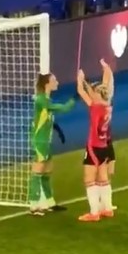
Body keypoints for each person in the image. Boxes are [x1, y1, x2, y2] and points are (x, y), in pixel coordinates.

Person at [30, 73, 76, 216]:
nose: (57, 81)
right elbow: (63, 109)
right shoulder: (41, 100)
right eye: (54, 80)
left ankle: (50, 203)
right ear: (47, 84)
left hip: (47, 141)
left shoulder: (46, 100)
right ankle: (34, 205)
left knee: (46, 173)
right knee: (37, 172)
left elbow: (45, 119)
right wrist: (75, 98)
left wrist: (57, 129)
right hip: (40, 142)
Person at [77, 65, 115, 222]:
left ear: (98, 94)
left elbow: (82, 92)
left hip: (93, 147)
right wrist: (106, 68)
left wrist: (81, 80)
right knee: (103, 178)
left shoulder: (95, 107)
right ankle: (107, 208)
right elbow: (105, 84)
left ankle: (94, 213)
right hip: (104, 147)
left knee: (89, 180)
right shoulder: (107, 106)